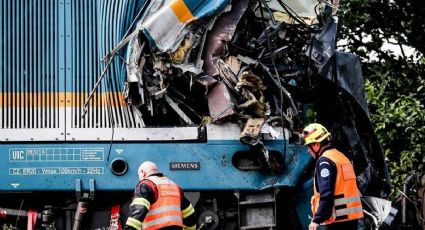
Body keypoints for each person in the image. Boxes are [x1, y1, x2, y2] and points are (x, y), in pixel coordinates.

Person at [302, 123, 363, 230]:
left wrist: (317, 220)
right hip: (352, 219)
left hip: (337, 220)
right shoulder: (341, 157)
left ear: (316, 145)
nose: (308, 150)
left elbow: (326, 194)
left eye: (309, 145)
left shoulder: (324, 161)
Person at [124, 161, 197, 230]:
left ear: (143, 172)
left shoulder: (146, 185)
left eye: (138, 175)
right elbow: (189, 213)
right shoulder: (175, 186)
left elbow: (138, 210)